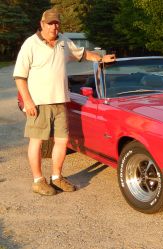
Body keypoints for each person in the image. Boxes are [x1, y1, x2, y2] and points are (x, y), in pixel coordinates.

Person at [13, 8, 116, 196]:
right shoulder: (30, 44)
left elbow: (83, 54)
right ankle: (38, 181)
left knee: (62, 140)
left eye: (57, 23)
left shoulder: (64, 42)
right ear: (42, 24)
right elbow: (20, 76)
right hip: (39, 103)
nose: (54, 26)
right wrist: (27, 101)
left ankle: (56, 177)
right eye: (50, 23)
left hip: (61, 101)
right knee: (36, 141)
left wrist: (101, 58)